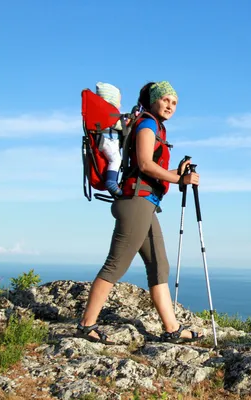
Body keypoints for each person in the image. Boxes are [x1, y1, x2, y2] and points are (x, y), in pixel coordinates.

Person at [76, 80, 203, 345]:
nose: (170, 106)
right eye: (166, 100)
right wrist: (179, 180)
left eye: (174, 102)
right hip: (136, 203)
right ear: (154, 100)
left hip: (145, 203)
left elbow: (149, 166)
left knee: (159, 265)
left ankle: (172, 329)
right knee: (116, 265)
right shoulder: (147, 124)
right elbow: (144, 164)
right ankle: (86, 325)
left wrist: (177, 174)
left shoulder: (156, 126)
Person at [95, 82, 124, 197]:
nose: (120, 105)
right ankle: (111, 181)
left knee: (115, 159)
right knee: (116, 160)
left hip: (105, 140)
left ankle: (114, 181)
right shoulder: (108, 113)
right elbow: (119, 125)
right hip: (108, 141)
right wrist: (128, 122)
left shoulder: (99, 111)